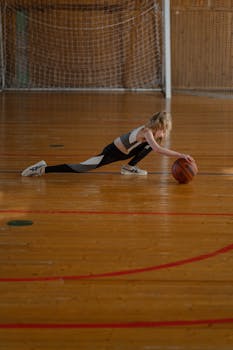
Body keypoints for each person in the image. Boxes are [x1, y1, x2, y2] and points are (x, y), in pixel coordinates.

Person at [21, 111, 195, 177]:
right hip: (112, 152)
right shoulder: (147, 132)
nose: (164, 134)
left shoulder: (150, 134)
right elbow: (158, 150)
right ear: (158, 126)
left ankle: (128, 168)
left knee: (148, 146)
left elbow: (154, 146)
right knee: (80, 168)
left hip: (124, 154)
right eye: (163, 130)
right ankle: (43, 168)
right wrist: (180, 155)